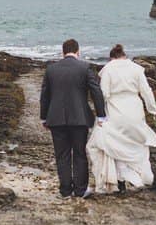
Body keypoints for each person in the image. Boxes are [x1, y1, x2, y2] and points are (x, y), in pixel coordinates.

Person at [86, 44, 156, 194]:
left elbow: (104, 94)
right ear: (124, 55)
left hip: (116, 110)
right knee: (137, 144)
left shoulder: (108, 69)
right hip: (134, 109)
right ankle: (140, 177)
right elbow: (146, 91)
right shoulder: (136, 69)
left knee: (116, 145)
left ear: (112, 57)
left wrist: (100, 113)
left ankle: (120, 181)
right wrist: (154, 110)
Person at [40, 38, 107, 199]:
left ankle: (65, 191)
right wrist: (101, 115)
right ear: (78, 51)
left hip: (56, 119)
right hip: (79, 119)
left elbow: (44, 96)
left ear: (63, 52)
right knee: (79, 154)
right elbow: (96, 92)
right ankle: (80, 190)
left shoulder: (51, 69)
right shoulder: (84, 68)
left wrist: (44, 118)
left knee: (62, 155)